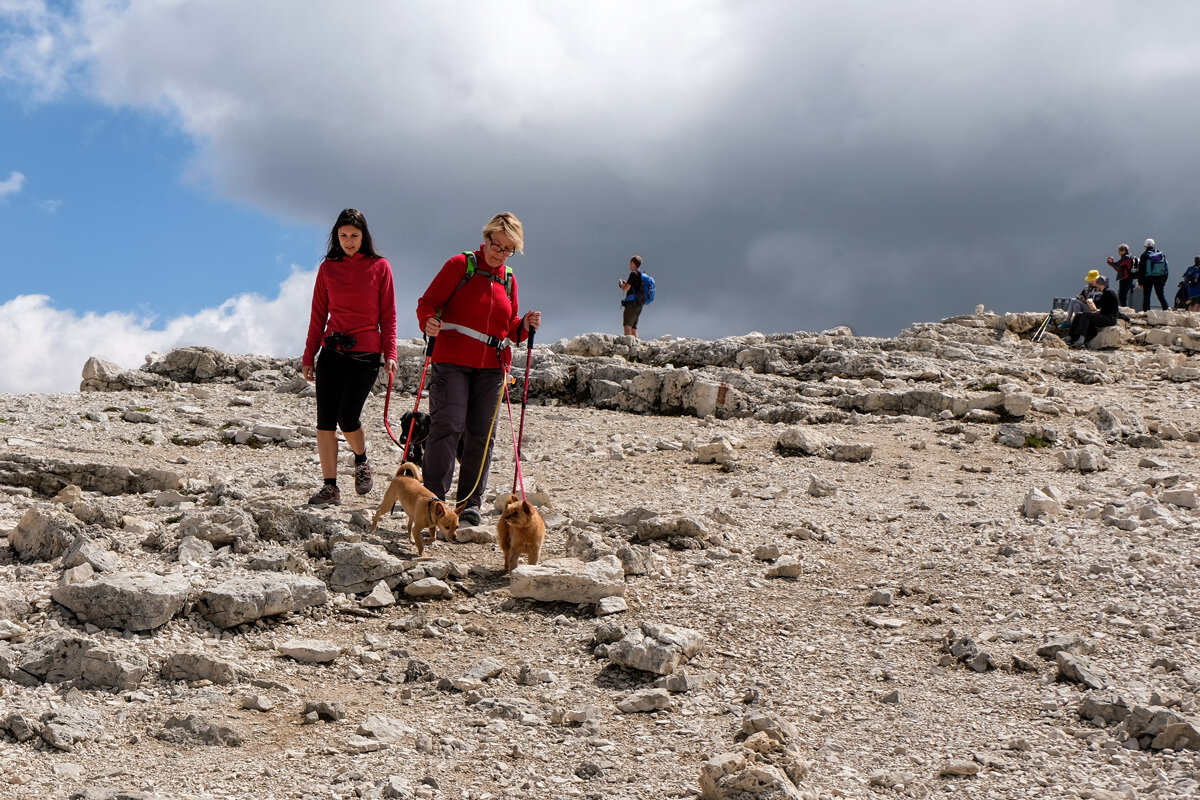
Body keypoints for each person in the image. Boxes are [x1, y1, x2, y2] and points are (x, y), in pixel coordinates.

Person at [416, 213, 542, 527]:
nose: (498, 252)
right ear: (484, 238)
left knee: (482, 436)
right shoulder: (460, 265)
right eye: (494, 244)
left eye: (506, 249)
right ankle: (434, 501)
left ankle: (470, 504)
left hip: (492, 368)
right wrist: (427, 321)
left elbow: (509, 329)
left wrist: (523, 326)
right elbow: (427, 303)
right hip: (452, 361)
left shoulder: (509, 279)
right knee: (448, 426)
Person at [302, 208, 397, 506]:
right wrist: (309, 354)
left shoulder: (380, 267)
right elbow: (318, 314)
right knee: (325, 422)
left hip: (366, 353)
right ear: (336, 237)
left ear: (363, 236)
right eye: (343, 236)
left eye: (354, 236)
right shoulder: (328, 269)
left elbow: (389, 315)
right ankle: (330, 487)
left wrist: (389, 352)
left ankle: (361, 459)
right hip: (332, 351)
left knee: (347, 416)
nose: (349, 241)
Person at [1067, 275, 1119, 349]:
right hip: (1108, 316)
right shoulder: (1108, 291)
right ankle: (1070, 337)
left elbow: (1104, 308)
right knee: (1079, 315)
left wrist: (1095, 309)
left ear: (1100, 284)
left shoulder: (1107, 293)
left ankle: (1080, 340)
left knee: (1086, 315)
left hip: (1109, 318)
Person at [1139, 238, 1170, 312]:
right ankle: (1166, 309)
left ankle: (1146, 311)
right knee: (1161, 295)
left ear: (1145, 246)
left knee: (1147, 296)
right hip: (1159, 277)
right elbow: (1166, 267)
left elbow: (1141, 270)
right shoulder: (1160, 253)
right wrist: (1165, 280)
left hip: (1147, 278)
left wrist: (1140, 282)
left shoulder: (1144, 255)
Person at [618, 255, 645, 337]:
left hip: (631, 304)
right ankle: (636, 347)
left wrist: (622, 285)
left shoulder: (633, 274)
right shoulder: (642, 275)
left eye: (630, 263)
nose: (629, 265)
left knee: (627, 326)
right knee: (634, 327)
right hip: (639, 304)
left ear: (633, 263)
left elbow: (626, 288)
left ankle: (629, 346)